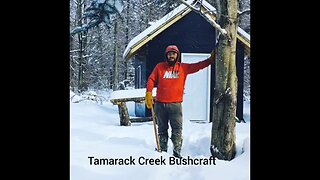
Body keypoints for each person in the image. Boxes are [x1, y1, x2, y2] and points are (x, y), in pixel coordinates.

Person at [145, 45, 216, 158]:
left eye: (174, 53)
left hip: (175, 105)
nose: (171, 55)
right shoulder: (159, 67)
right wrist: (148, 92)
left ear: (177, 55)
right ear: (166, 55)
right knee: (162, 129)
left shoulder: (183, 68)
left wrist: (210, 60)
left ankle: (177, 152)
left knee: (177, 129)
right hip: (160, 104)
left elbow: (198, 66)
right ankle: (162, 152)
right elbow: (151, 79)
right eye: (169, 54)